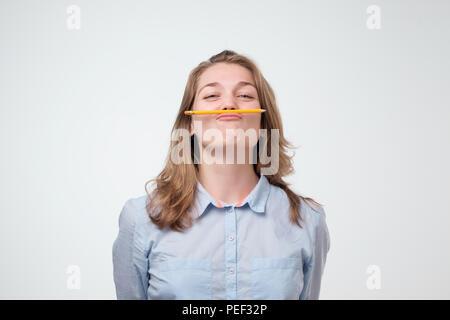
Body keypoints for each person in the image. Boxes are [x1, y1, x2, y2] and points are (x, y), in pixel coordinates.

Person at [112, 49, 330, 300]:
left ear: (263, 122)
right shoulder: (141, 220)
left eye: (245, 94)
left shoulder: (308, 221)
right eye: (212, 95)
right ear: (191, 123)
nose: (229, 105)